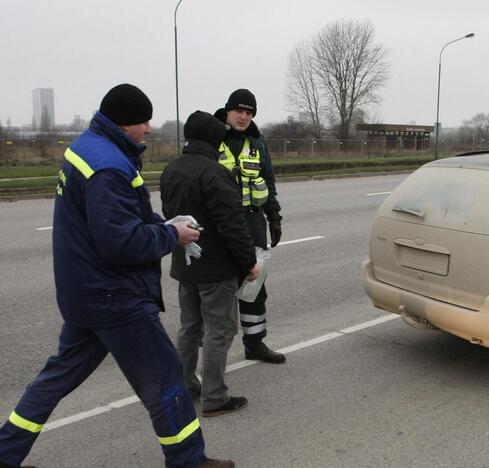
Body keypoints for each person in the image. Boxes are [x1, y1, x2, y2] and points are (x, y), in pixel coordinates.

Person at [0, 84, 233, 468]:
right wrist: (172, 234)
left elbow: (119, 221)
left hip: (85, 292)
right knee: (165, 380)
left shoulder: (88, 148)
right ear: (126, 124)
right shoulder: (109, 166)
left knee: (56, 377)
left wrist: (162, 224)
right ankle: (189, 461)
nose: (149, 128)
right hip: (115, 296)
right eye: (143, 121)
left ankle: (5, 452)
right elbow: (120, 243)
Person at [160, 111, 260, 417]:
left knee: (190, 326)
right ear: (214, 139)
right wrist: (249, 263)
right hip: (216, 268)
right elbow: (232, 225)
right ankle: (215, 397)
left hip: (186, 264)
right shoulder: (215, 173)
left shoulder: (171, 168)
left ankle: (185, 385)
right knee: (220, 329)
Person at [213, 89, 285, 364]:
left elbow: (268, 182)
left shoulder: (258, 141)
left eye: (249, 112)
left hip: (253, 222)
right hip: (220, 225)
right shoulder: (213, 137)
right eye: (238, 111)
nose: (243, 116)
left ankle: (254, 343)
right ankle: (209, 354)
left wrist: (274, 218)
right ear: (227, 110)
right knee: (217, 289)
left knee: (255, 285)